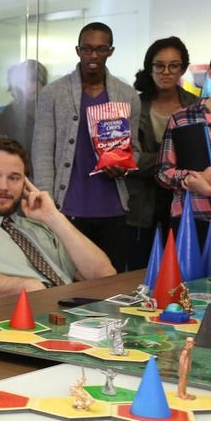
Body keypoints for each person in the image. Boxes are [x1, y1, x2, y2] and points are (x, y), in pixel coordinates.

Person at [32, 22, 141, 272]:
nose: (93, 56)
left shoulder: (127, 95)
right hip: (67, 205)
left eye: (101, 49)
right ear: (78, 50)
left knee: (110, 281)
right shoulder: (54, 93)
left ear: (111, 51)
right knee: (66, 280)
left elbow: (134, 148)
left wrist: (123, 167)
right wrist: (46, 200)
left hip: (111, 205)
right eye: (87, 49)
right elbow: (42, 151)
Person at [0, 137, 116, 297]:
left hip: (72, 312)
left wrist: (53, 217)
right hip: (22, 314)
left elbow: (104, 275)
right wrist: (28, 288)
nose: (3, 186)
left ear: (25, 184)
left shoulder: (41, 228)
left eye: (14, 178)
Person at [156, 43, 211, 245]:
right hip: (193, 218)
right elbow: (163, 172)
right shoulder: (184, 118)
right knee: (191, 277)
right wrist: (195, 178)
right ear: (210, 72)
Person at [126, 37, 197, 270]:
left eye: (173, 65)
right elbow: (127, 159)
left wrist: (154, 163)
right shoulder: (133, 106)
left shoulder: (196, 107)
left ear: (183, 68)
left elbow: (199, 161)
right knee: (139, 271)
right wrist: (169, 162)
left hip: (184, 200)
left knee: (180, 269)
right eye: (159, 65)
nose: (166, 72)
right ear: (150, 67)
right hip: (140, 203)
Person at [0, 59, 48, 153]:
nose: (29, 86)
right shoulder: (10, 113)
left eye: (34, 80)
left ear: (43, 83)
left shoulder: (51, 111)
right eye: (24, 81)